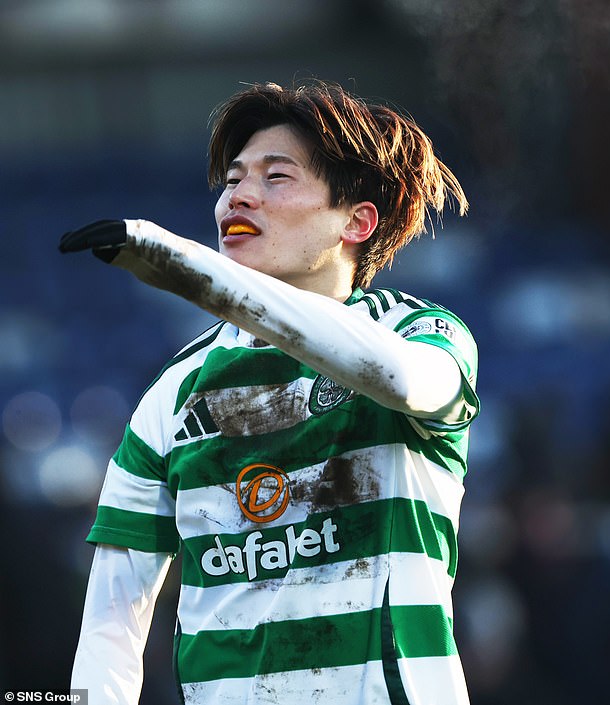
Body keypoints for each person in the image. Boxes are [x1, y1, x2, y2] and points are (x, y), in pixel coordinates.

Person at [61, 81, 480, 705]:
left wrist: (193, 271)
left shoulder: (421, 336)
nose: (241, 195)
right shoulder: (172, 395)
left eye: (276, 177)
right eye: (232, 180)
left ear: (357, 221)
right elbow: (111, 620)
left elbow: (394, 376)